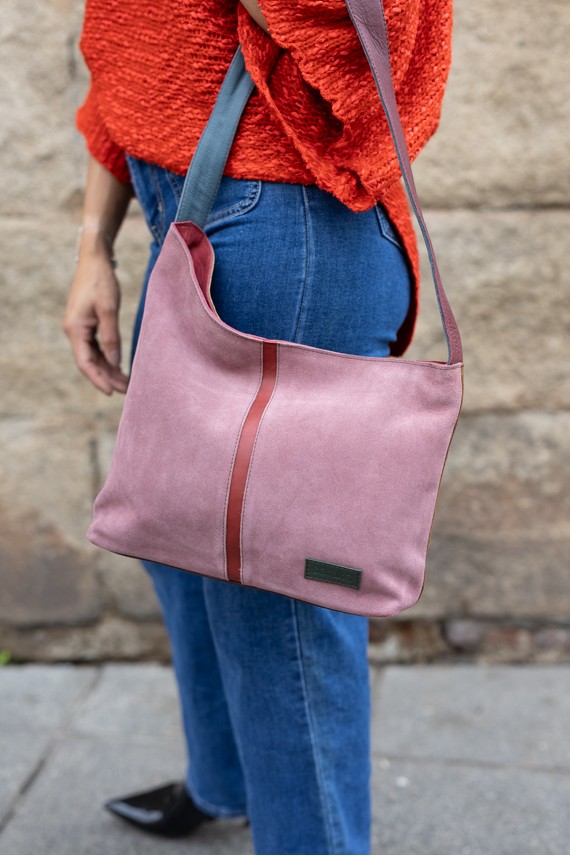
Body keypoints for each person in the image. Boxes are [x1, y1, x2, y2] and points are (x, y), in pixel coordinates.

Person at [63, 1, 452, 852]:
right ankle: (229, 781)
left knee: (282, 609)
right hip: (183, 205)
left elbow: (362, 40)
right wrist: (97, 241)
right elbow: (127, 50)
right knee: (177, 531)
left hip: (284, 226)